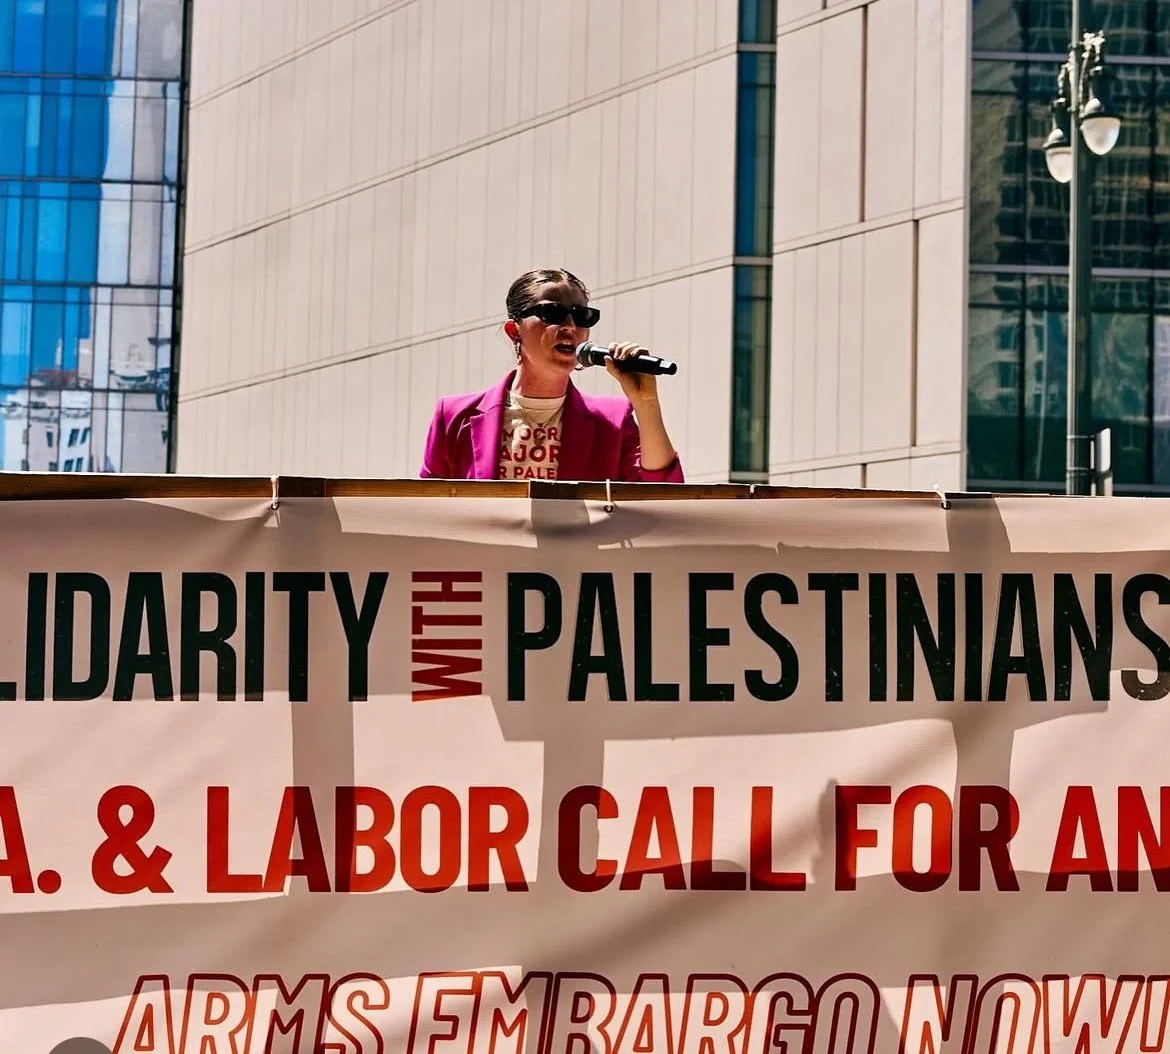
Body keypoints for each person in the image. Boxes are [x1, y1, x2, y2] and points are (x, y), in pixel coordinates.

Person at [419, 268, 684, 483]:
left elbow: (662, 496)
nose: (570, 326)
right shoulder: (454, 416)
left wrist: (646, 403)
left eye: (583, 317)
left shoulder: (613, 419)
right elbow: (428, 510)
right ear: (514, 331)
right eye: (552, 313)